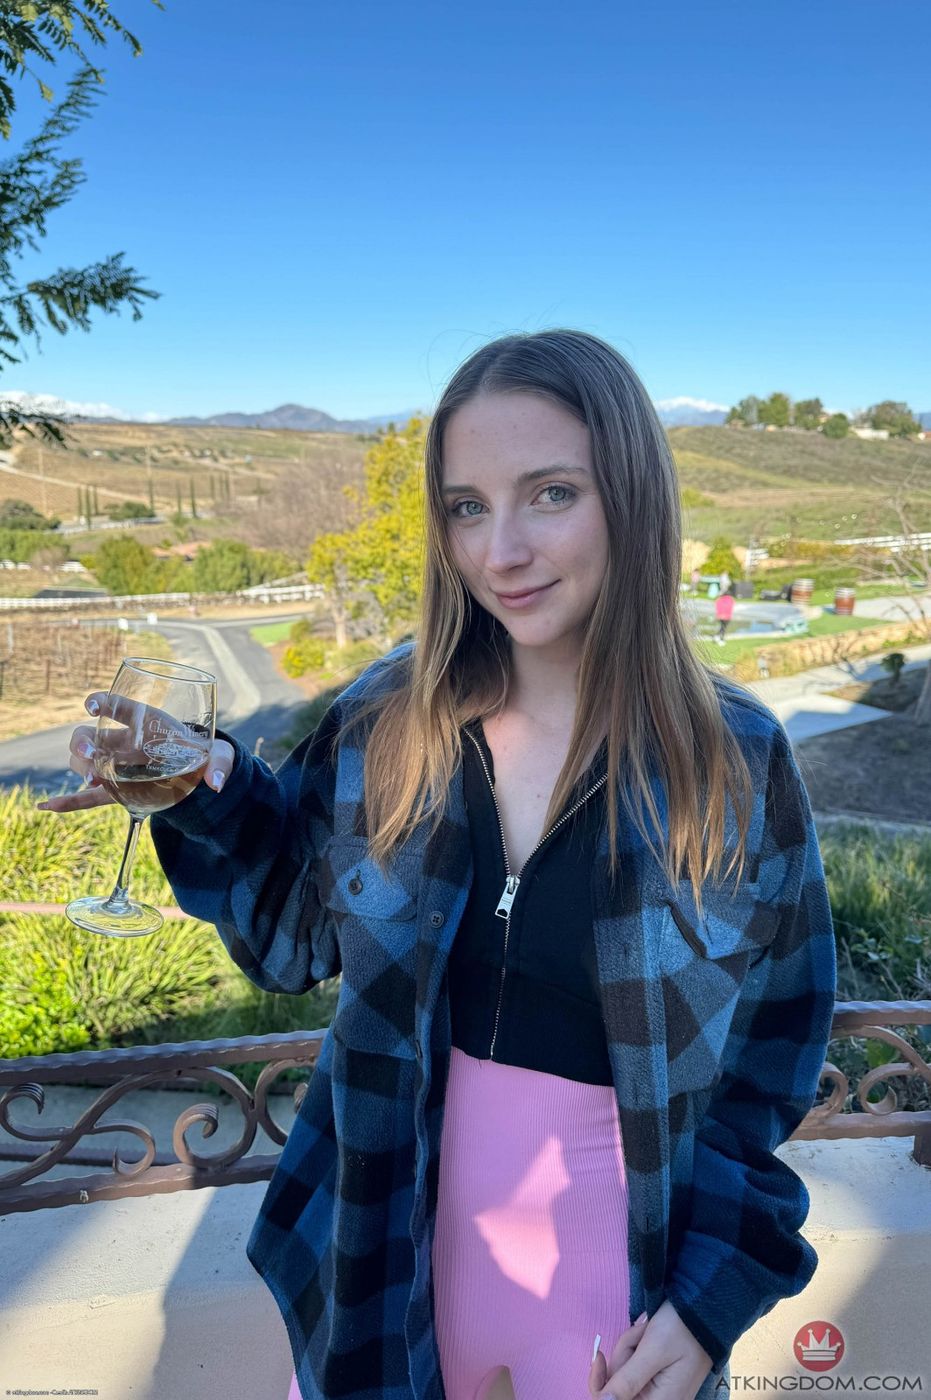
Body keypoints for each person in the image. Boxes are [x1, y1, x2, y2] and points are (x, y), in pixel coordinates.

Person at [42, 329, 837, 1400]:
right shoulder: (390, 714)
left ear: (633, 498)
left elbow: (770, 1062)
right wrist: (208, 791)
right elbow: (290, 939)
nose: (499, 550)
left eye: (550, 493)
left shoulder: (733, 759)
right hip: (377, 1253)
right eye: (466, 506)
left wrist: (708, 1300)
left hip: (615, 1288)